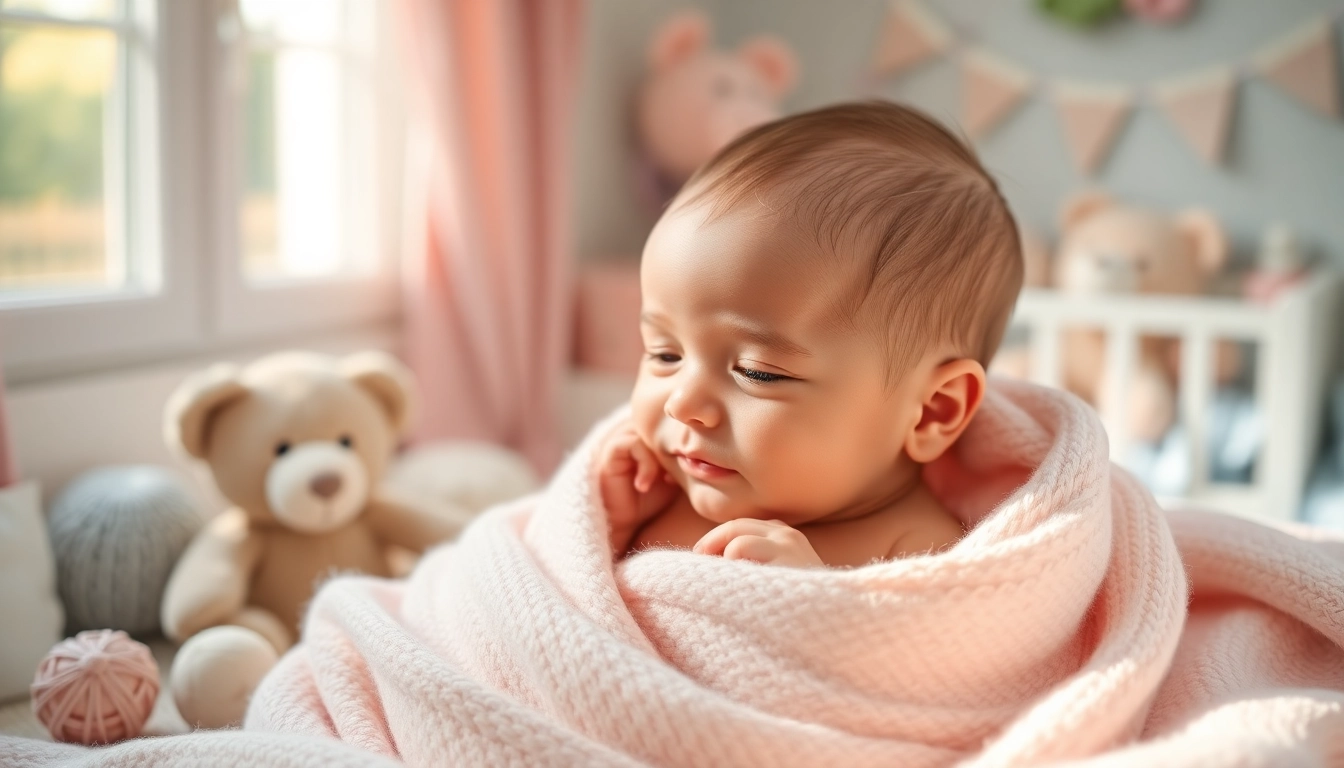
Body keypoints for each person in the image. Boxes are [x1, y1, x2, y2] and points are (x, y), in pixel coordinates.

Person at [599, 101, 1023, 568]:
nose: (682, 405)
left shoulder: (916, 549)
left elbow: (929, 641)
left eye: (756, 373)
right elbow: (570, 596)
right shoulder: (660, 492)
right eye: (664, 355)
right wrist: (611, 530)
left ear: (932, 412)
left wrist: (814, 599)